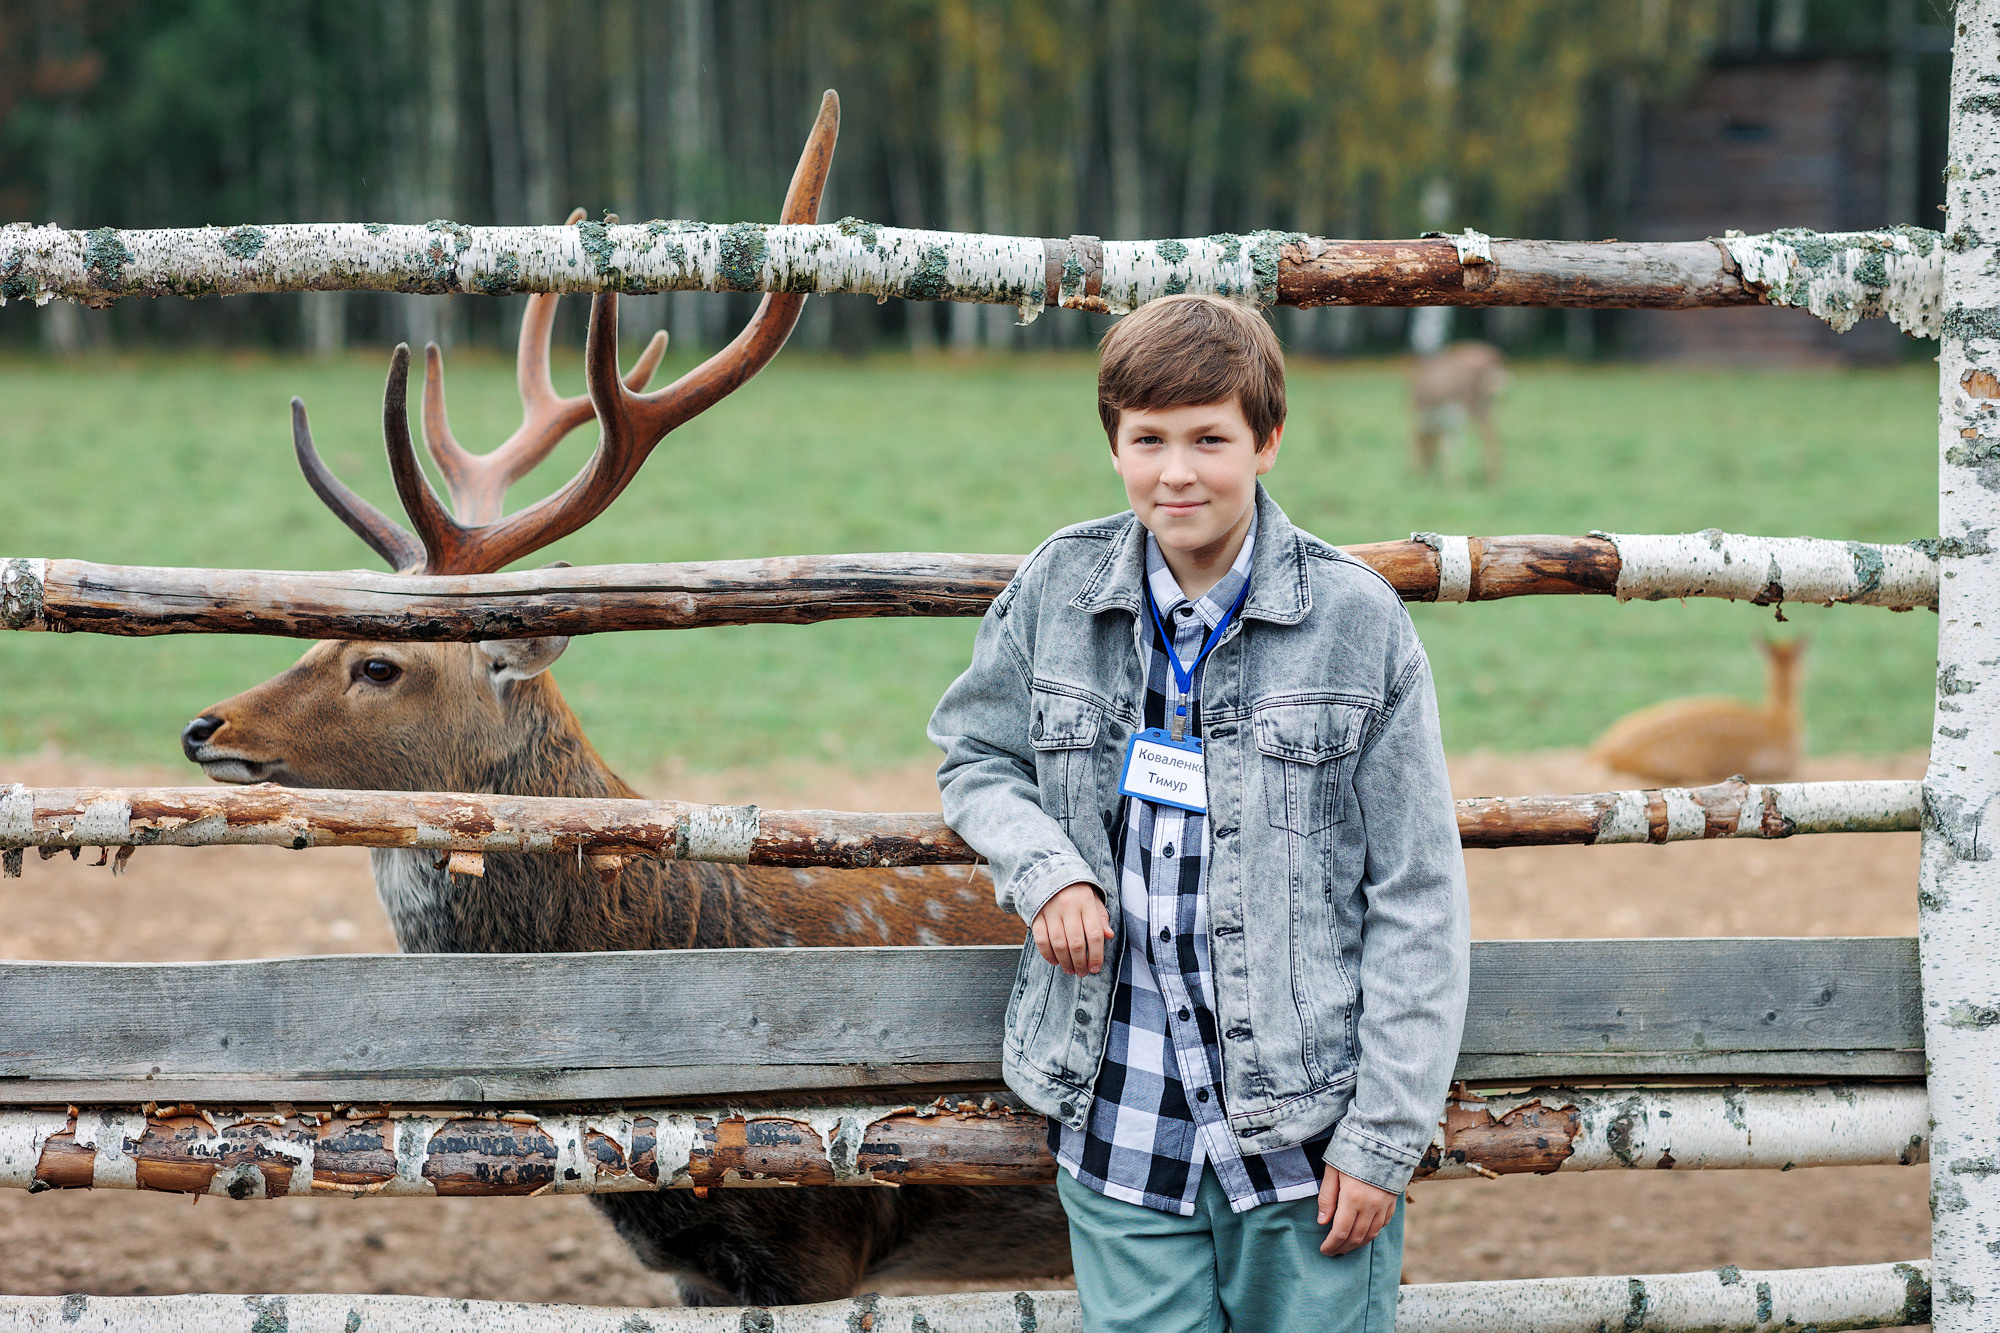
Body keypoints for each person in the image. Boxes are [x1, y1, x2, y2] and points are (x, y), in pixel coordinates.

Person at [928, 293, 1470, 1332]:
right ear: (1115, 445)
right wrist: (1046, 868)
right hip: (1120, 1117)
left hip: (1307, 1135)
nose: (1176, 472)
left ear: (1265, 440)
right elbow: (974, 755)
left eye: (1208, 438)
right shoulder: (1057, 590)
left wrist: (1380, 1137)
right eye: (1148, 440)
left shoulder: (1354, 622)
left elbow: (1417, 894)